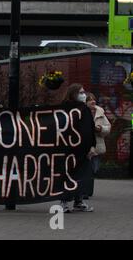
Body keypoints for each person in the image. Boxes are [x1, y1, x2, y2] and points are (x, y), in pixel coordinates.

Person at [60, 83, 96, 213]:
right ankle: (64, 201)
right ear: (73, 93)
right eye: (81, 92)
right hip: (69, 149)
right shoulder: (64, 109)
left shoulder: (85, 109)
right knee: (68, 174)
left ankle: (78, 201)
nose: (84, 95)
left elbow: (90, 129)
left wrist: (92, 146)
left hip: (83, 150)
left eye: (84, 92)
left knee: (81, 175)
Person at [86, 92, 111, 197]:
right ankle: (85, 192)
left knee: (93, 169)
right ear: (85, 102)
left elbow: (108, 127)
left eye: (94, 99)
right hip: (85, 146)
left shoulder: (100, 113)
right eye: (90, 100)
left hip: (97, 146)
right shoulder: (82, 112)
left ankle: (87, 190)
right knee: (86, 170)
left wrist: (100, 129)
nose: (93, 101)